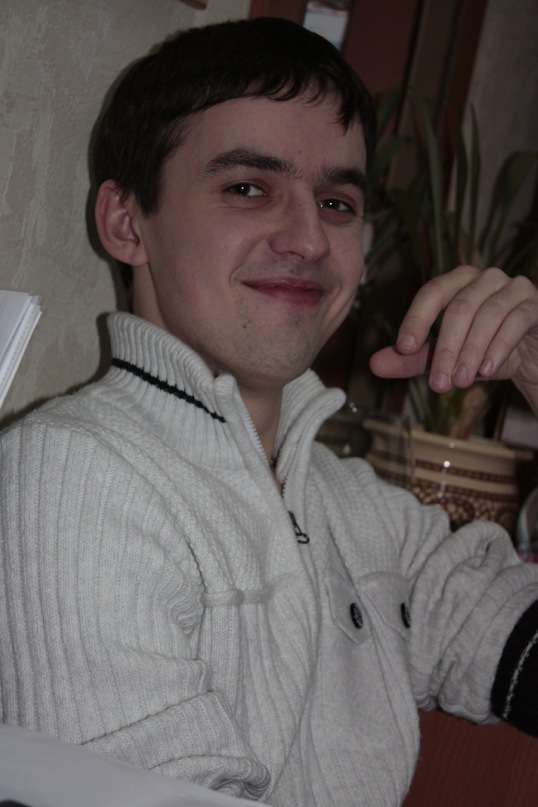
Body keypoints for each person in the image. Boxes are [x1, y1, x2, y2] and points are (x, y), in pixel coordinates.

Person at [1, 16, 537, 807]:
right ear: (126, 222)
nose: (309, 238)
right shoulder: (67, 477)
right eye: (248, 188)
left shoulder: (357, 508)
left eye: (338, 201)